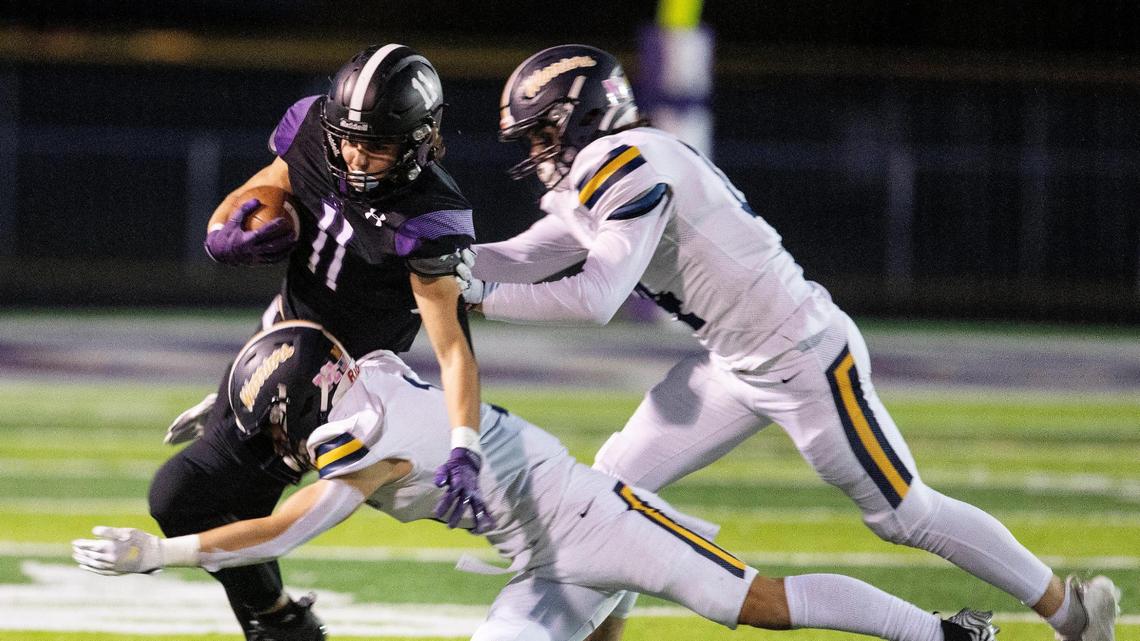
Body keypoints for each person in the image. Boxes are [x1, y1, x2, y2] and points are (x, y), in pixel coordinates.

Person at [459, 44, 1121, 641]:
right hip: (734, 362)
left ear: (585, 113)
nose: (539, 147)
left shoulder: (622, 159)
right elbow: (524, 256)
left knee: (903, 513)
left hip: (802, 356)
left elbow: (593, 298)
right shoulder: (616, 163)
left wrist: (476, 294)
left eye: (545, 128)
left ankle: (1072, 612)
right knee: (614, 496)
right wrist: (439, 262)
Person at [75, 321, 1000, 641]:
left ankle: (942, 630)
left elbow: (283, 531)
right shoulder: (371, 375)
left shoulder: (363, 434)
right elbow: (305, 355)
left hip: (596, 516)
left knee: (755, 603)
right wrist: (225, 400)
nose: (270, 442)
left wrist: (165, 549)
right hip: (541, 553)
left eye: (269, 421)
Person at [150, 44, 489, 641]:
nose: (356, 156)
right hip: (280, 341)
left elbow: (454, 347)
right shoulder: (313, 126)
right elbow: (269, 183)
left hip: (344, 385)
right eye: (349, 139)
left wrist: (467, 444)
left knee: (208, 500)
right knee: (186, 499)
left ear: (421, 139)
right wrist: (221, 231)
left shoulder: (431, 216)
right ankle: (279, 621)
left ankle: (277, 623)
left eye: (378, 144)